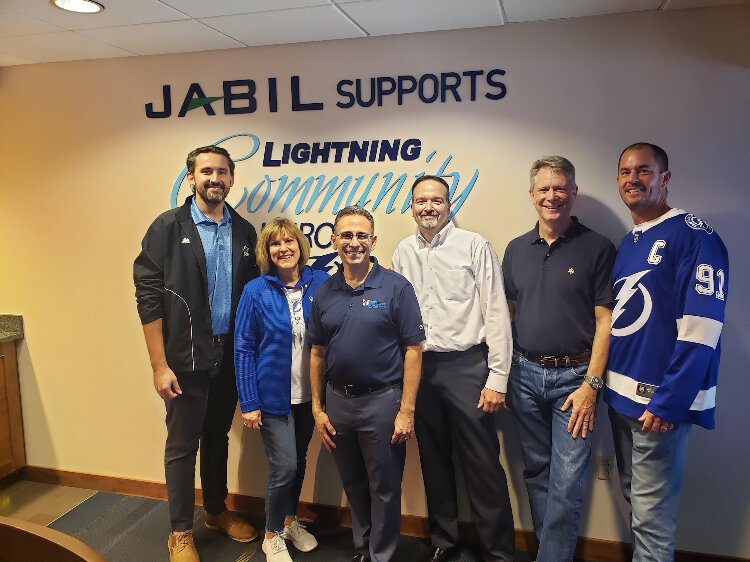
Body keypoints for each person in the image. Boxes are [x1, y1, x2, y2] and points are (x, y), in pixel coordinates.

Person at [134, 145, 259, 562]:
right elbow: (148, 296)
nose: (214, 179)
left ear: (232, 179)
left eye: (222, 172)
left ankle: (216, 511)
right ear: (191, 177)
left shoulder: (243, 231)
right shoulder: (168, 227)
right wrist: (158, 364)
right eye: (206, 171)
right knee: (183, 444)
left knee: (217, 437)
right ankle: (180, 532)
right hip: (184, 358)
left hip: (228, 357)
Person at [606, 143, 729, 562]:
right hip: (622, 399)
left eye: (644, 170)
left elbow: (703, 327)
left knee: (652, 522)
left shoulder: (695, 236)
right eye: (625, 172)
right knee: (637, 507)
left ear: (665, 178)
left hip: (657, 406)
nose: (633, 179)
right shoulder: (632, 239)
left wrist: (671, 400)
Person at [392, 176, 515, 562]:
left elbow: (496, 313)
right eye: (421, 201)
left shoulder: (474, 245)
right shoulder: (403, 252)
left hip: (467, 367)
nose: (429, 207)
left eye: (437, 200)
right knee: (432, 458)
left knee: (482, 466)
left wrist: (498, 378)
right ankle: (444, 540)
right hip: (420, 369)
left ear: (449, 204)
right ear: (411, 206)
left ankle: (498, 552)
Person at [502, 157, 615, 562]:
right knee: (535, 471)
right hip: (525, 374)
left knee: (567, 483)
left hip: (576, 380)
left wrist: (592, 385)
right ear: (532, 196)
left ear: (574, 193)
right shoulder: (516, 249)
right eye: (544, 189)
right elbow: (508, 315)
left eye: (561, 188)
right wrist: (504, 374)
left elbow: (606, 323)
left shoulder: (598, 247)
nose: (553, 196)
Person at [308, 206, 424, 562]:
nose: (354, 243)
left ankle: (382, 555)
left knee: (385, 487)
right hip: (338, 403)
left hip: (383, 402)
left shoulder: (396, 287)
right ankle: (364, 546)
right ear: (334, 240)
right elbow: (316, 353)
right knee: (354, 483)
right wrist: (317, 406)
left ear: (373, 241)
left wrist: (406, 410)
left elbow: (413, 350)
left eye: (361, 236)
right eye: (346, 235)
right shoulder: (324, 291)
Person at [234, 219, 328, 562]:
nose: (283, 248)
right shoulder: (255, 291)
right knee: (284, 465)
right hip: (272, 396)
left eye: (289, 241)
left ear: (301, 246)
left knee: (299, 459)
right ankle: (271, 533)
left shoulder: (320, 282)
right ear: (267, 251)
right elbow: (243, 347)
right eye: (275, 243)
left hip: (309, 395)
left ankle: (289, 521)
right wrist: (248, 401)